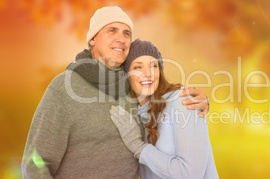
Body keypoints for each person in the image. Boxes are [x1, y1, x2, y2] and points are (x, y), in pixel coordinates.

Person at [21, 6, 209, 178]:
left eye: (126, 33)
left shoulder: (132, 86)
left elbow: (165, 102)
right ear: (92, 39)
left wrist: (202, 103)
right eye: (112, 30)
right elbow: (34, 163)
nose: (121, 38)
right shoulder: (64, 86)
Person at [110, 39, 219, 179]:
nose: (148, 73)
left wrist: (139, 147)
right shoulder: (133, 114)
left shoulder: (182, 102)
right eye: (138, 67)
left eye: (153, 66)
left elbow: (190, 174)